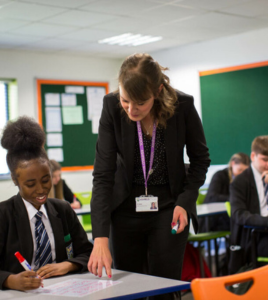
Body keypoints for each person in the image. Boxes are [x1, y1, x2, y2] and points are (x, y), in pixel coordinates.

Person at [88, 53, 210, 299]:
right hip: (125, 207)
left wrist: (185, 202)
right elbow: (103, 175)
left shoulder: (182, 106)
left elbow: (200, 160)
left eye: (140, 102)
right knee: (126, 289)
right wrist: (100, 237)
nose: (131, 109)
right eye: (125, 100)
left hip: (169, 207)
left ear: (158, 90)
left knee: (163, 288)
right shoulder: (111, 106)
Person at [0, 116, 93, 291]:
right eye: (30, 184)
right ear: (15, 180)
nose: (40, 189)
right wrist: (11, 280)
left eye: (45, 180)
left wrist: (67, 265)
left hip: (63, 291)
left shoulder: (62, 209)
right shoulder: (1, 214)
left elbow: (88, 253)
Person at [229, 136, 268, 274]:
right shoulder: (240, 182)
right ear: (253, 156)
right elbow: (238, 215)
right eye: (265, 159)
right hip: (256, 235)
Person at [201, 152, 250, 232]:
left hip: (229, 216)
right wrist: (235, 199)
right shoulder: (219, 175)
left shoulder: (245, 180)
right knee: (240, 224)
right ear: (233, 163)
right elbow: (212, 196)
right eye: (240, 170)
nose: (242, 174)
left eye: (244, 171)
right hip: (213, 219)